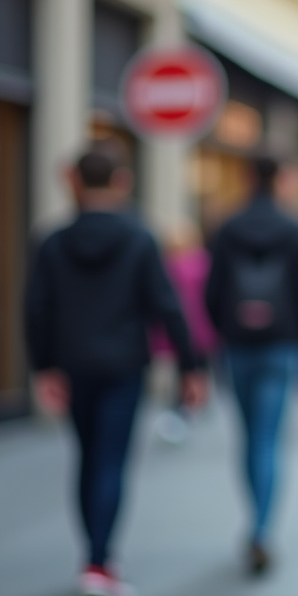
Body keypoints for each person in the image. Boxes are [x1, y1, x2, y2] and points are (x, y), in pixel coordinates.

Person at [24, 143, 207, 596]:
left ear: (74, 181)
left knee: (87, 458)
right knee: (111, 461)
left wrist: (43, 367)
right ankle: (100, 562)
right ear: (121, 181)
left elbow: (36, 309)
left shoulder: (53, 240)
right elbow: (168, 305)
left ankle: (94, 557)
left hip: (72, 365)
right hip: (124, 365)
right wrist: (191, 366)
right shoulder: (140, 237)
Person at [205, 155, 298, 575]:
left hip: (238, 346)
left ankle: (254, 520)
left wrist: (225, 331)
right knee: (269, 438)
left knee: (249, 435)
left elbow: (211, 291)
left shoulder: (227, 227)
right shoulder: (294, 229)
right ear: (282, 178)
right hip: (280, 346)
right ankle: (262, 529)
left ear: (249, 176)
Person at [150, 221, 221, 445]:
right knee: (200, 366)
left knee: (183, 370)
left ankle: (186, 407)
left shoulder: (168, 266)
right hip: (203, 327)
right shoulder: (205, 263)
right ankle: (197, 402)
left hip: (180, 328)